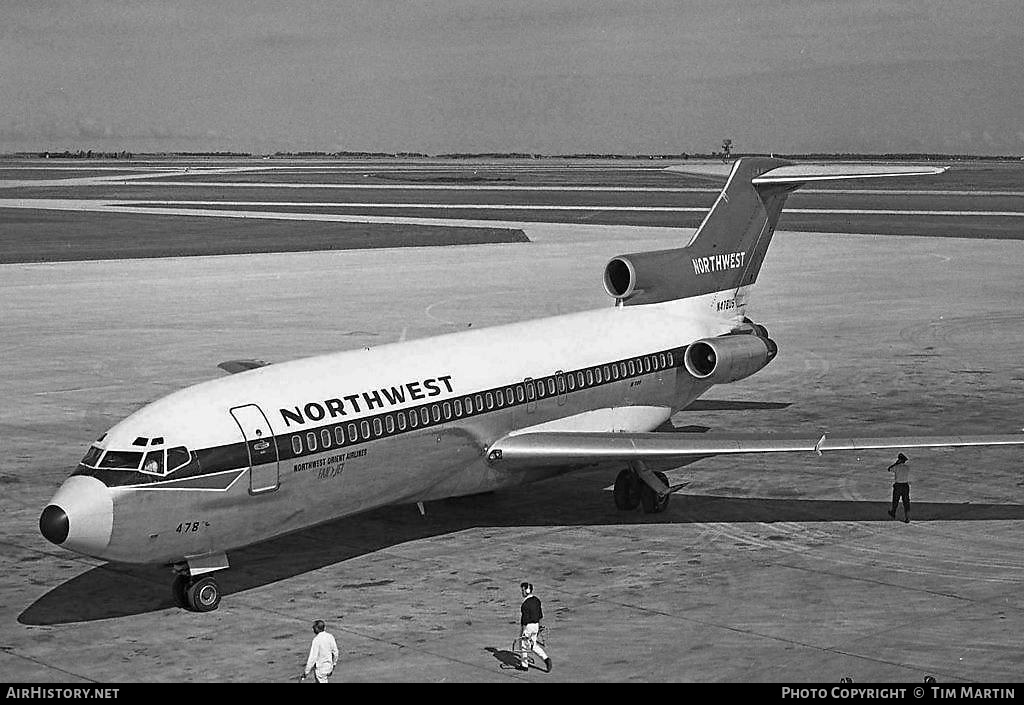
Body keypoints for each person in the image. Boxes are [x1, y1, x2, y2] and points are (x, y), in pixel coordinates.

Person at [517, 582, 551, 672]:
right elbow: (540, 615)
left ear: (527, 591)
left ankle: (524, 665)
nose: (522, 592)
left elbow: (524, 620)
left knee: (523, 645)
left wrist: (523, 631)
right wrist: (539, 626)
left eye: (523, 590)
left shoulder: (525, 604)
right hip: (536, 625)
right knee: (533, 645)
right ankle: (546, 659)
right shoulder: (537, 600)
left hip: (528, 626)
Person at [887, 453, 911, 523]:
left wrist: (895, 463)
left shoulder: (896, 467)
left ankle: (893, 513)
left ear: (899, 460)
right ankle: (907, 517)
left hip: (898, 486)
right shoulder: (907, 467)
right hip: (905, 485)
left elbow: (889, 469)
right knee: (906, 501)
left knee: (895, 500)